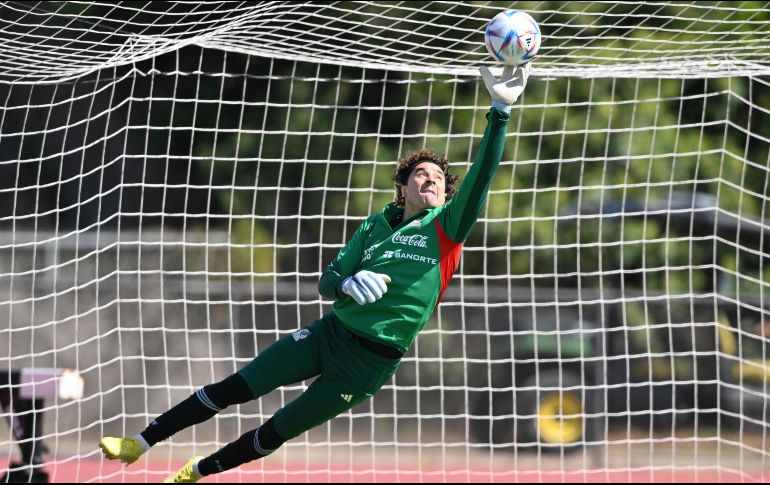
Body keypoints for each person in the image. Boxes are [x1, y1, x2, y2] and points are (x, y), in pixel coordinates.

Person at [98, 63, 531, 483]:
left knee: (276, 431)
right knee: (236, 387)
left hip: (366, 365)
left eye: (438, 178)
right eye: (421, 173)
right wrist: (346, 283)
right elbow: (327, 280)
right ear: (403, 187)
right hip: (328, 334)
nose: (431, 180)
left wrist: (500, 111)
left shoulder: (447, 228)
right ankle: (140, 442)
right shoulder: (374, 226)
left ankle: (196, 472)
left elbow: (481, 176)